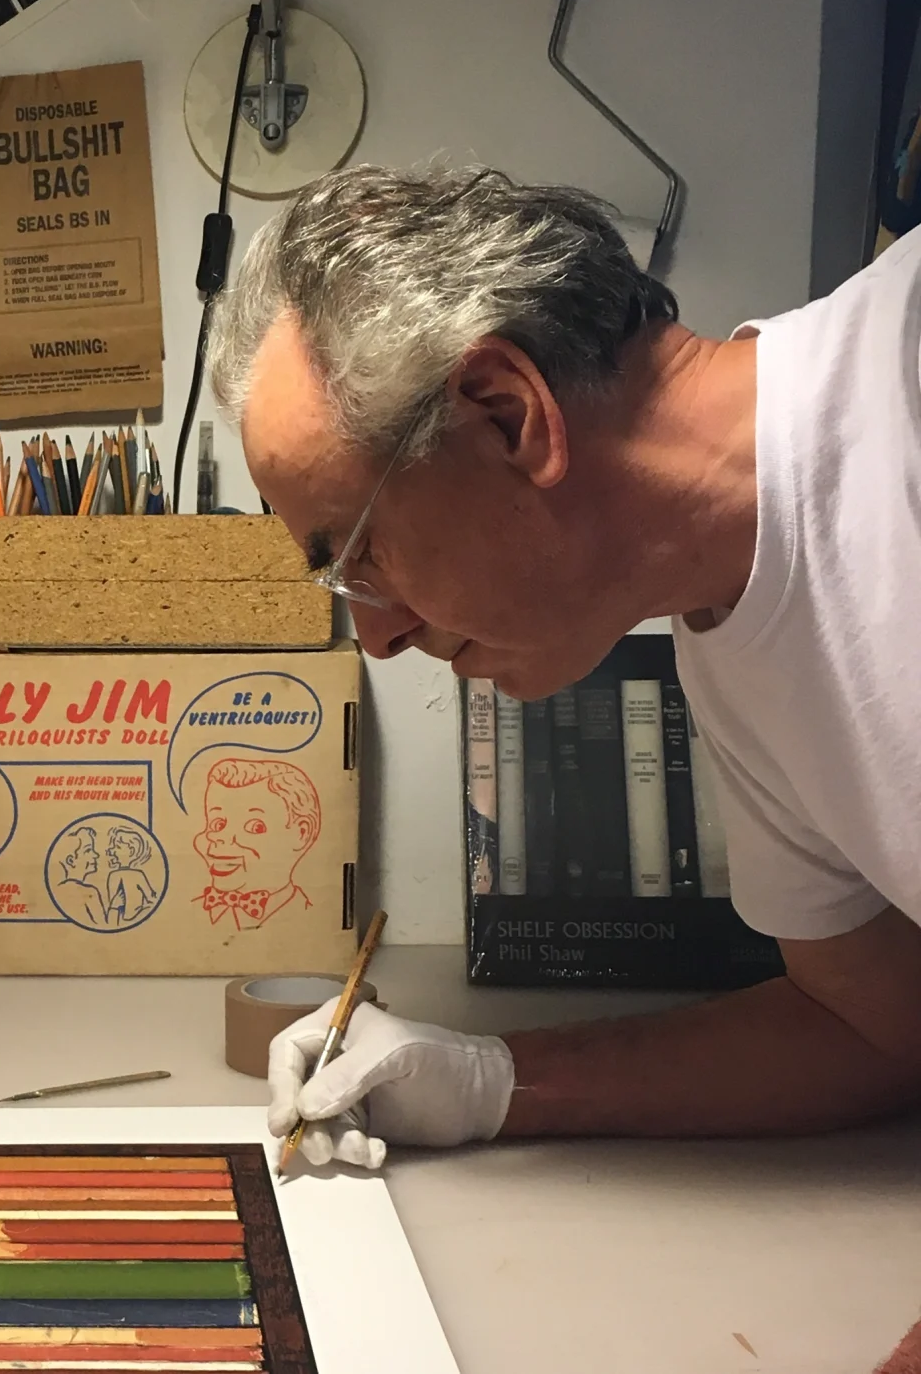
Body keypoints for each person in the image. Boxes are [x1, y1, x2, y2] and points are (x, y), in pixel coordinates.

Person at [205, 164, 921, 1371]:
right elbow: (871, 1023)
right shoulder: (730, 656)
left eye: (361, 554)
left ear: (507, 414)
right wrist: (490, 1082)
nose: (375, 636)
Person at [191, 759, 319, 930]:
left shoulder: (314, 920)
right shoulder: (184, 914)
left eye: (255, 827)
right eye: (218, 824)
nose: (222, 838)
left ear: (302, 833)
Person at [104, 826, 159, 923]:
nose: (112, 850)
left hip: (135, 918)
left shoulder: (137, 875)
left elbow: (151, 899)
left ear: (131, 851)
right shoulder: (113, 876)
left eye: (117, 847)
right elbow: (113, 903)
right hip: (119, 920)